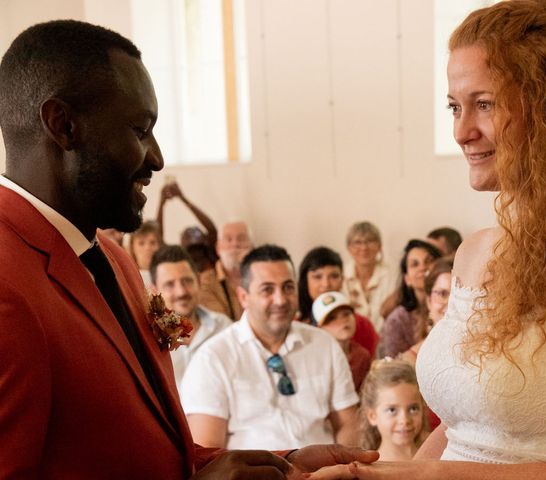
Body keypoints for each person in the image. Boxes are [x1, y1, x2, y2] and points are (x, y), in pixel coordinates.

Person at [0, 19, 376, 479]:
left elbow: (141, 446)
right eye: (140, 130)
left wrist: (280, 465)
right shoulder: (7, 280)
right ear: (64, 125)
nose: (157, 157)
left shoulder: (113, 259)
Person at [309, 1, 546, 479]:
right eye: (454, 106)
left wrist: (431, 476)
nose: (461, 131)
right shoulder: (474, 252)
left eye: (484, 104)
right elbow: (467, 425)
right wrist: (373, 473)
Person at [181, 245, 360, 450]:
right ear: (243, 297)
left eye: (288, 287)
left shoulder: (324, 345)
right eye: (267, 289)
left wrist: (343, 468)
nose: (280, 299)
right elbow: (207, 451)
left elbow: (348, 424)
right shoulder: (213, 358)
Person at [150, 245, 232, 388]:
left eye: (187, 281)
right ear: (155, 290)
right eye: (170, 284)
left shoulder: (224, 328)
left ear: (199, 281)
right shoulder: (147, 338)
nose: (181, 292)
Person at [298, 246, 379, 357]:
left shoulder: (363, 326)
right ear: (305, 281)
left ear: (342, 280)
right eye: (317, 277)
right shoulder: (295, 327)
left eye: (334, 276)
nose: (326, 284)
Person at [382, 240, 443, 357]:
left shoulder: (453, 308)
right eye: (415, 264)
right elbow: (396, 368)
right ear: (407, 279)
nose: (423, 267)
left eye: (429, 261)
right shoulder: (397, 320)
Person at [359, 359, 425, 462]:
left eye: (413, 409)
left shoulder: (436, 458)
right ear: (372, 416)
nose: (405, 420)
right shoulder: (368, 471)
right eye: (392, 410)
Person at [397, 258, 453, 366]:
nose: (451, 304)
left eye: (457, 294)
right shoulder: (410, 360)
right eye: (442, 294)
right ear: (429, 301)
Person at [342, 221, 396, 333]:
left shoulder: (393, 276)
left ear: (380, 246)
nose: (364, 247)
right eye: (357, 242)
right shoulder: (340, 276)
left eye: (370, 241)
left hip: (384, 342)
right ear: (349, 247)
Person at [313, 291, 372, 391]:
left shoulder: (362, 356)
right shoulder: (315, 359)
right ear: (320, 328)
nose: (343, 321)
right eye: (332, 318)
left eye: (346, 314)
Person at [157, 179, 219, 272]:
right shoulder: (178, 257)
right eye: (187, 233)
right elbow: (157, 238)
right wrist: (162, 204)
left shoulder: (210, 253)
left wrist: (183, 198)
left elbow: (212, 229)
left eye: (195, 231)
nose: (192, 233)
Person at [198, 220, 252, 320]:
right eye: (228, 239)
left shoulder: (263, 277)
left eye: (241, 239)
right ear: (218, 248)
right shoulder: (205, 283)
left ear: (251, 247)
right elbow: (220, 326)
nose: (235, 244)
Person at [128, 219, 162, 287]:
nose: (147, 248)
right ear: (132, 247)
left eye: (152, 243)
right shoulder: (127, 276)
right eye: (141, 243)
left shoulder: (166, 274)